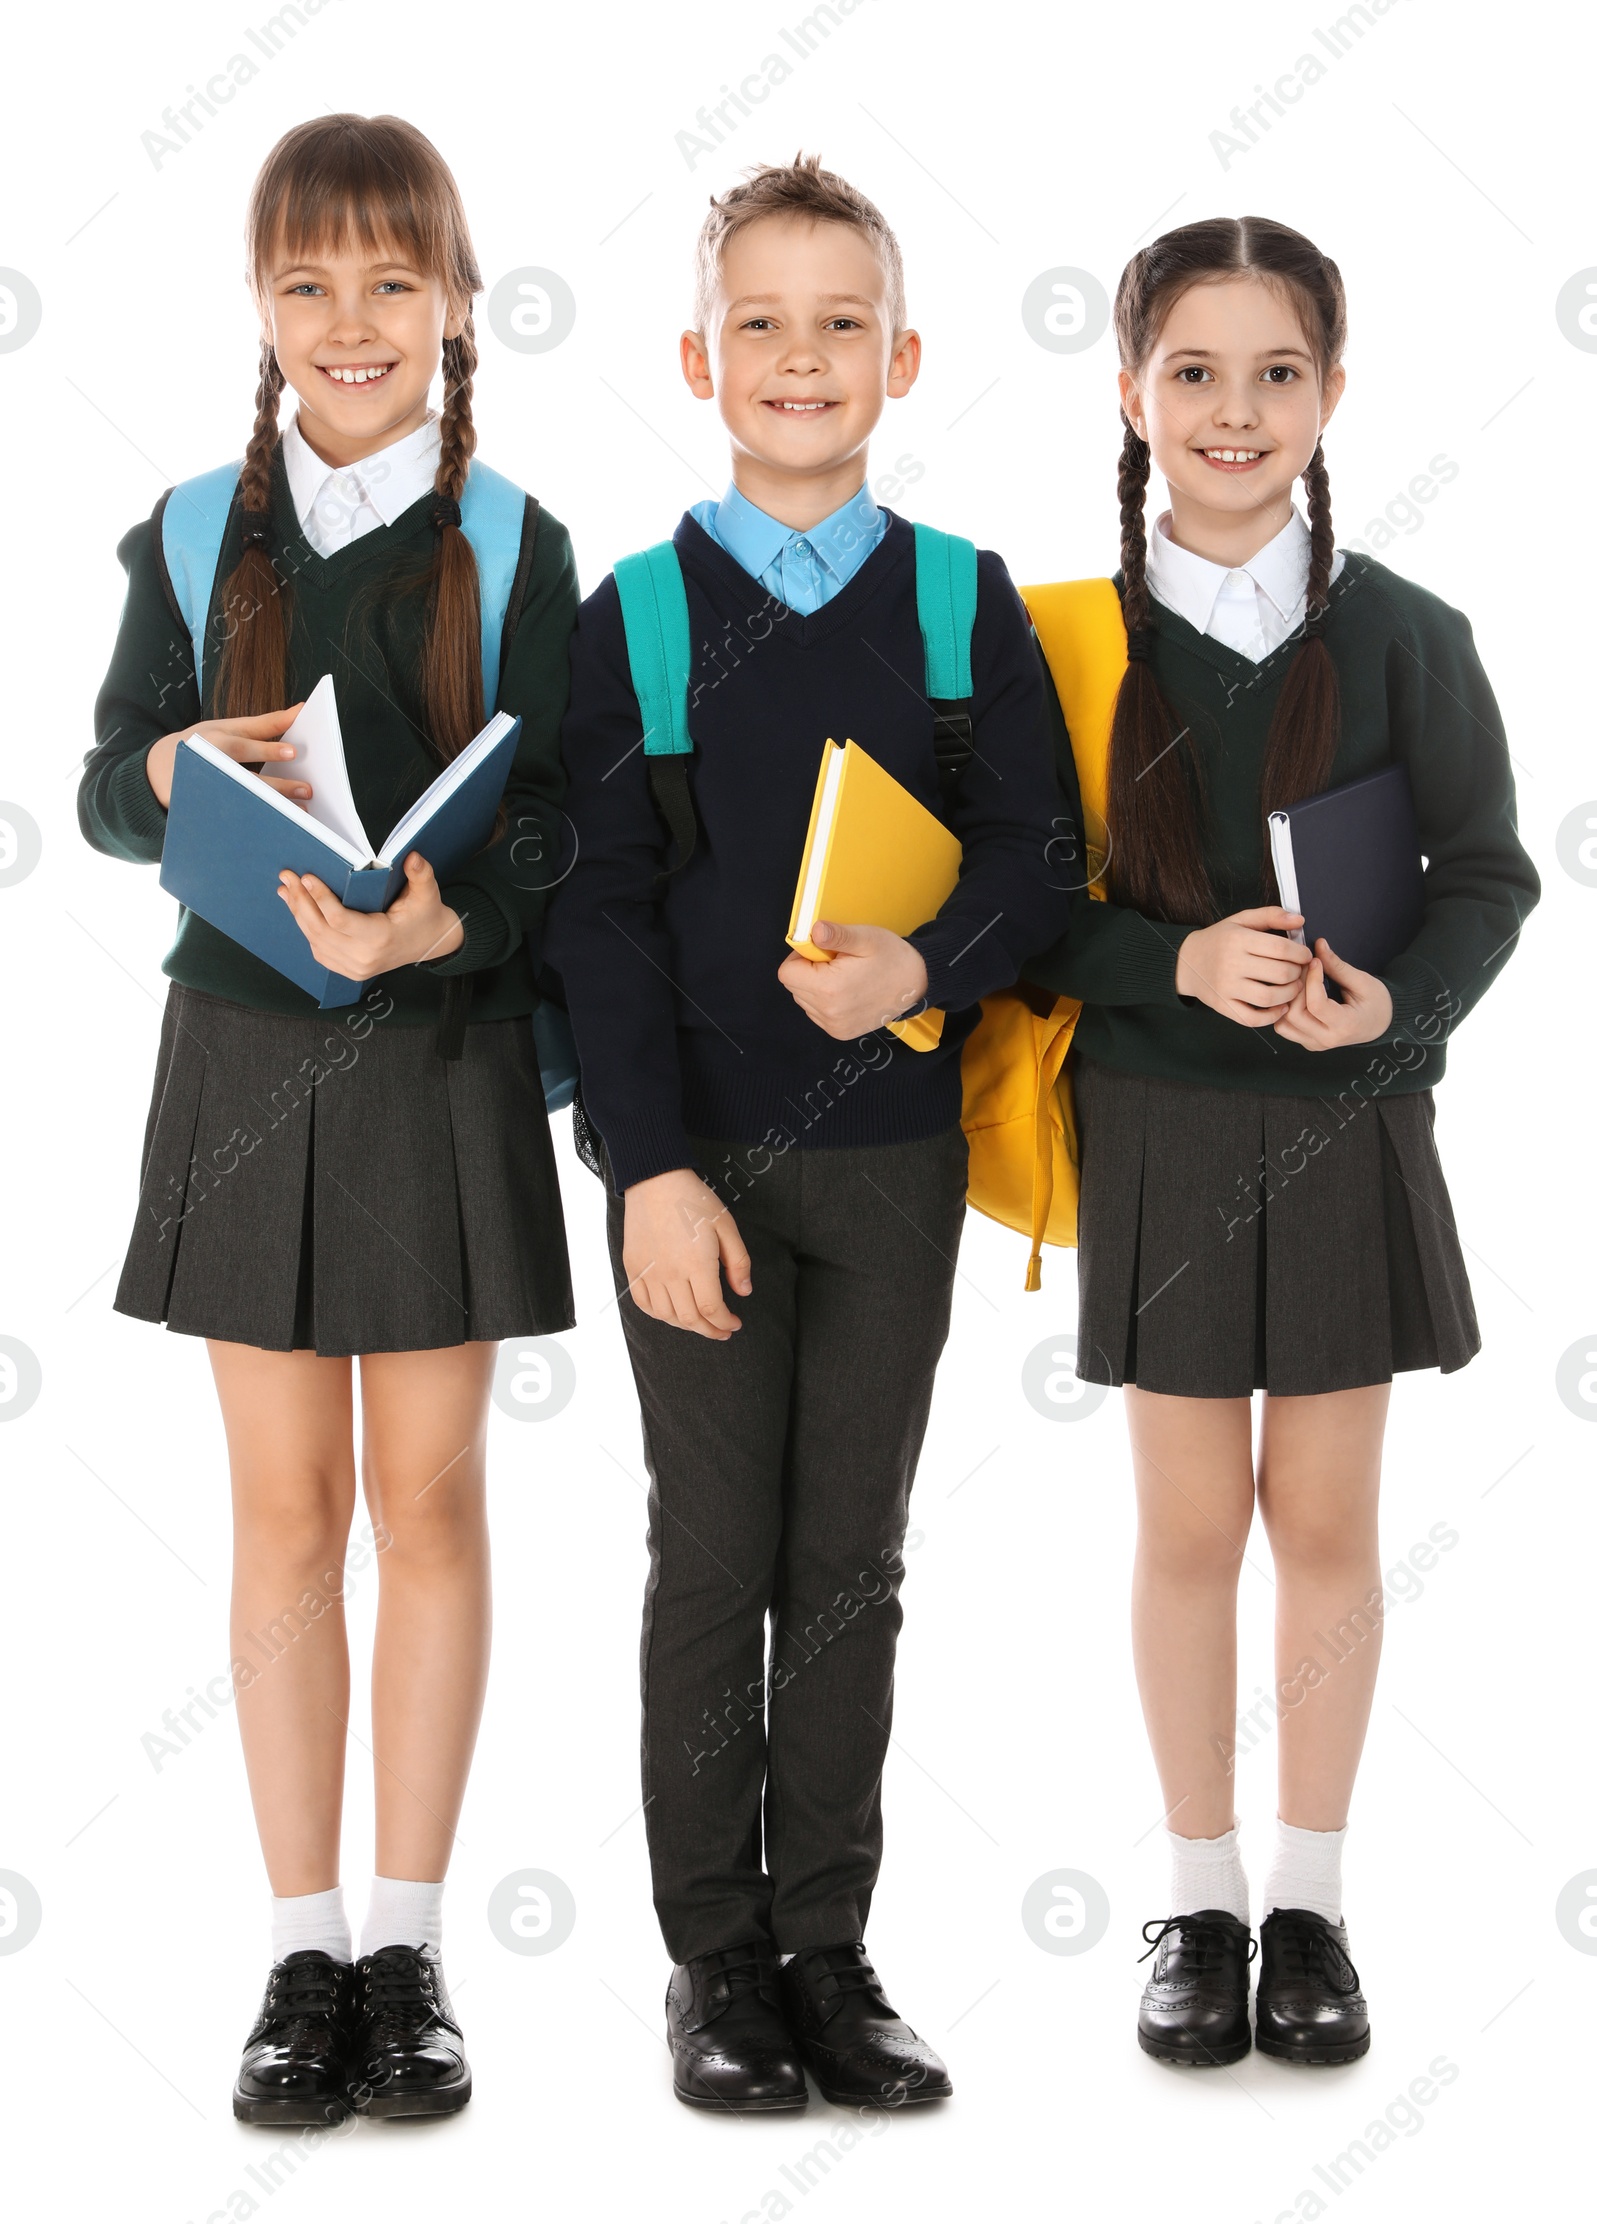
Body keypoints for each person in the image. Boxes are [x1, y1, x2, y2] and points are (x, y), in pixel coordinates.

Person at [547, 155, 1065, 2111]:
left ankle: (830, 1946)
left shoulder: (957, 604)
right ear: (696, 357)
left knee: (846, 1556)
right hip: (696, 1167)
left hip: (892, 1161)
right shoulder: (639, 617)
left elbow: (1039, 852)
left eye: (837, 320)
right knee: (711, 1554)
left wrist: (915, 958)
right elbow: (593, 913)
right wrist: (643, 1170)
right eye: (756, 320)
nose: (797, 355)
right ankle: (713, 1959)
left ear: (902, 356)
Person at [79, 113, 578, 2122]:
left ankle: (409, 1943)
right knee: (282, 1513)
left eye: (391, 282)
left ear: (454, 305)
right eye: (309, 284)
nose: (349, 322)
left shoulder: (515, 542)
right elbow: (112, 792)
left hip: (440, 1049)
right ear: (261, 306)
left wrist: (454, 915)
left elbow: (562, 820)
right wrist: (176, 754)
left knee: (430, 1503)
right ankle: (299, 1945)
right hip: (245, 1059)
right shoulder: (196, 531)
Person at [1024, 216, 1539, 2066]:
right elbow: (1016, 911)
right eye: (1194, 371)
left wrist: (1392, 1008)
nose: (1234, 413)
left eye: (1278, 373)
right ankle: (1196, 1892)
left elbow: (1491, 873)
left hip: (1344, 1128)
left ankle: (1309, 1904)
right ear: (1131, 387)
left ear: (1332, 389)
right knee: (1187, 1527)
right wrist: (1175, 954)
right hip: (1158, 1124)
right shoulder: (1061, 642)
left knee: (1324, 1523)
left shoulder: (1407, 633)